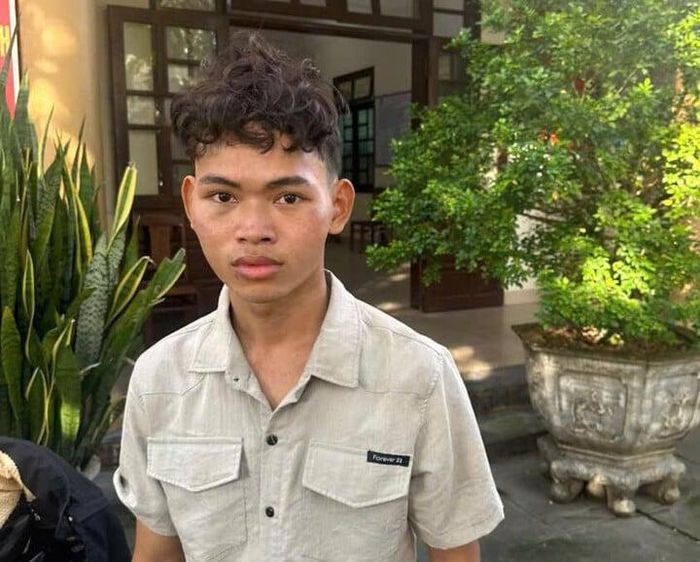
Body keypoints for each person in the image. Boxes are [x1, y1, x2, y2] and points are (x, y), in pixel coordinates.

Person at [114, 32, 503, 562]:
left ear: (338, 207)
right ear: (192, 204)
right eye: (223, 196)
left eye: (288, 197)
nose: (253, 229)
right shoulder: (159, 380)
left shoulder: (419, 378)